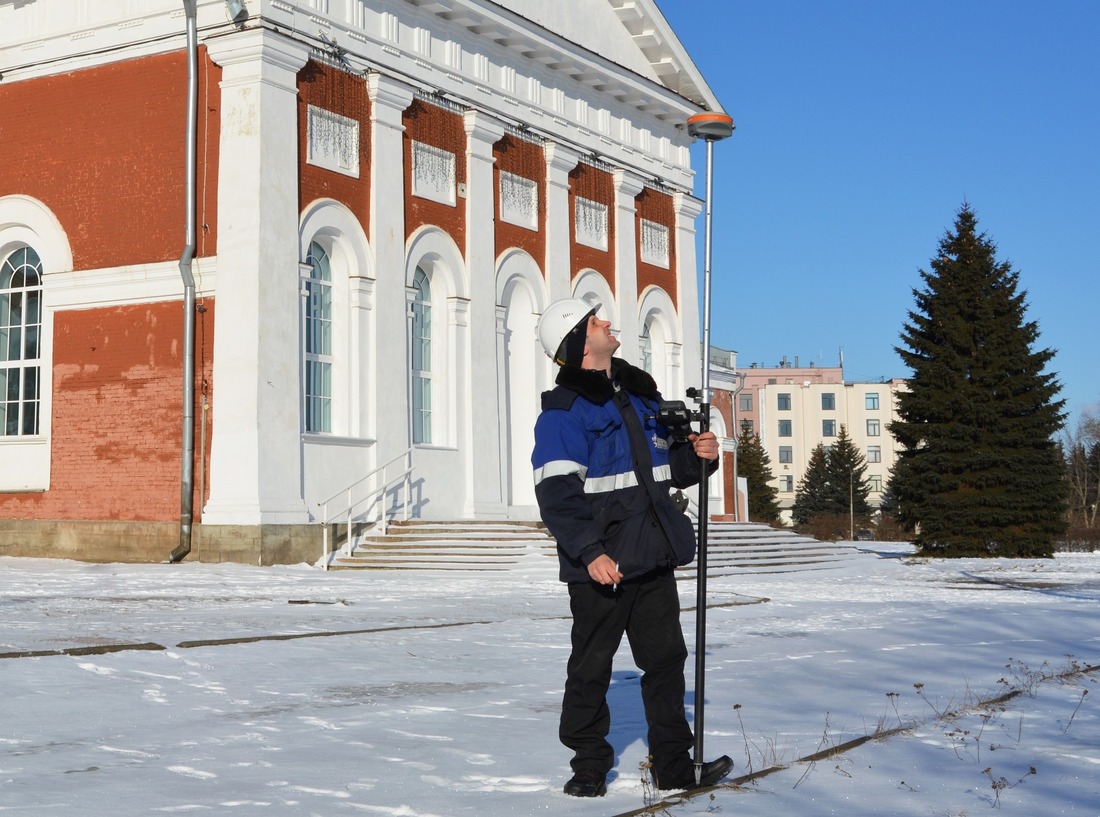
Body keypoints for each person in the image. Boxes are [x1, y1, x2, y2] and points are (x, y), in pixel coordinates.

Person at [530, 298, 733, 797]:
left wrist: (700, 456)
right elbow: (556, 493)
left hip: (653, 555)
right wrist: (590, 552)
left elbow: (671, 470)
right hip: (603, 565)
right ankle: (589, 765)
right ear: (579, 342)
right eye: (596, 321)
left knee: (666, 664)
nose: (608, 323)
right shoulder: (564, 412)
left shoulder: (641, 398)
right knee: (591, 666)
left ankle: (674, 767)